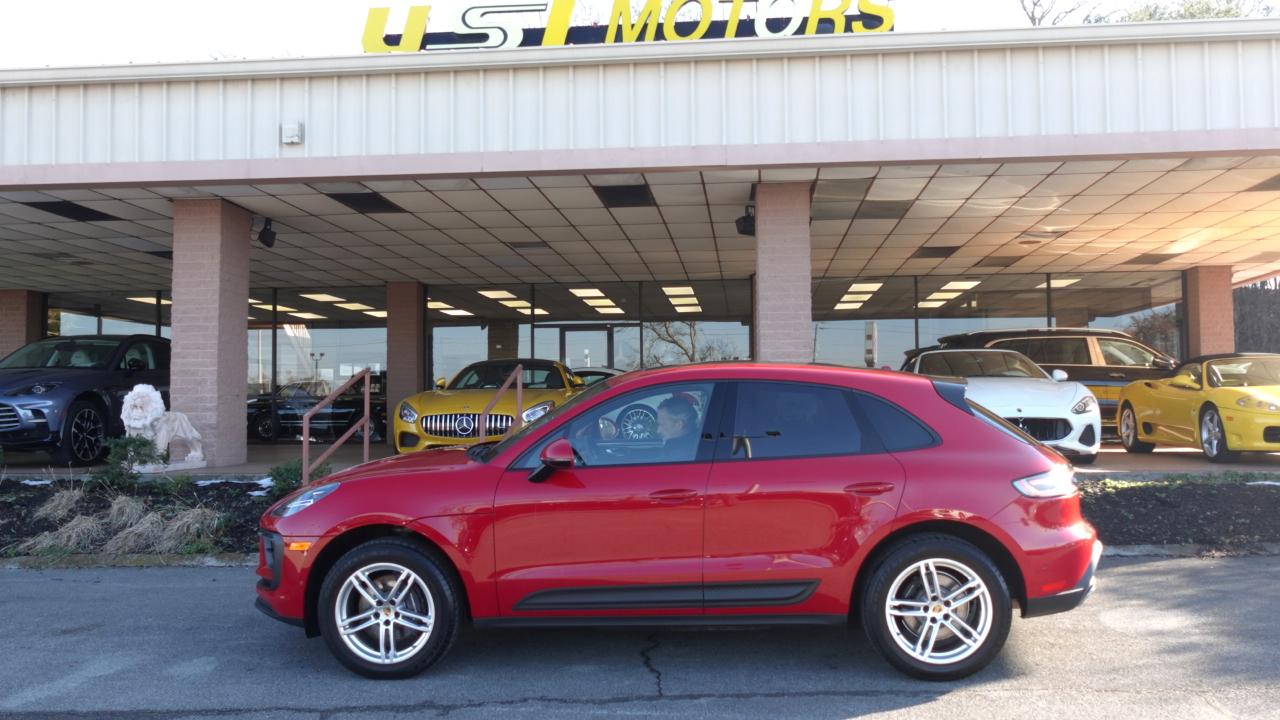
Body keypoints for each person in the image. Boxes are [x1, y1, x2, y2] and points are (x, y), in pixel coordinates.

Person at [655, 395, 699, 462]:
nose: (658, 431)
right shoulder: (695, 444)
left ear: (678, 424)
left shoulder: (678, 456)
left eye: (662, 425)